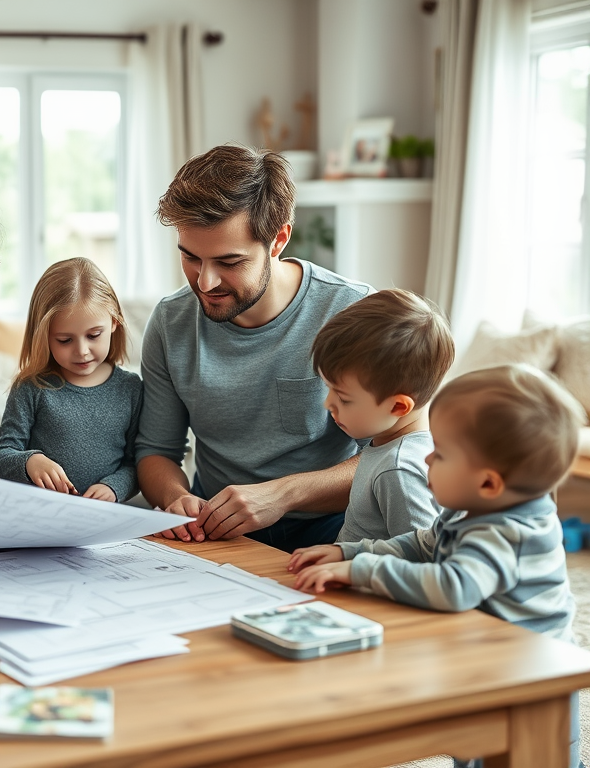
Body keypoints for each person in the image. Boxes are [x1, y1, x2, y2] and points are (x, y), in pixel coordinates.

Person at [290, 364, 587, 768]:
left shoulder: (506, 533)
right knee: (474, 748)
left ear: (488, 483)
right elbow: (423, 543)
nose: (426, 456)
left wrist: (363, 573)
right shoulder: (473, 510)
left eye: (441, 453)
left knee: (529, 757)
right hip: (488, 657)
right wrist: (353, 552)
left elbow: (452, 587)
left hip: (531, 674)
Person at [136, 144, 370, 552]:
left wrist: (284, 494)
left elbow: (397, 454)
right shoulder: (170, 322)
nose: (205, 282)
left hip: (336, 535)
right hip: (214, 532)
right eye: (190, 258)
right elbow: (156, 451)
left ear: (278, 239)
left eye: (229, 262)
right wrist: (175, 498)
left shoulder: (352, 314)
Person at [0, 257, 142, 502]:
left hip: (103, 520)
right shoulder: (31, 387)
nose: (81, 350)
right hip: (42, 517)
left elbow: (137, 464)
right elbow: (0, 457)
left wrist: (114, 487)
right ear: (44, 335)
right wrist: (31, 462)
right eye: (64, 340)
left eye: (93, 335)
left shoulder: (131, 388)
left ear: (114, 322)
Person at [310, 289, 454, 542]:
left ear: (398, 407)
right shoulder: (391, 448)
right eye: (329, 388)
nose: (328, 403)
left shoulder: (399, 470)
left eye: (344, 398)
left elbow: (421, 561)